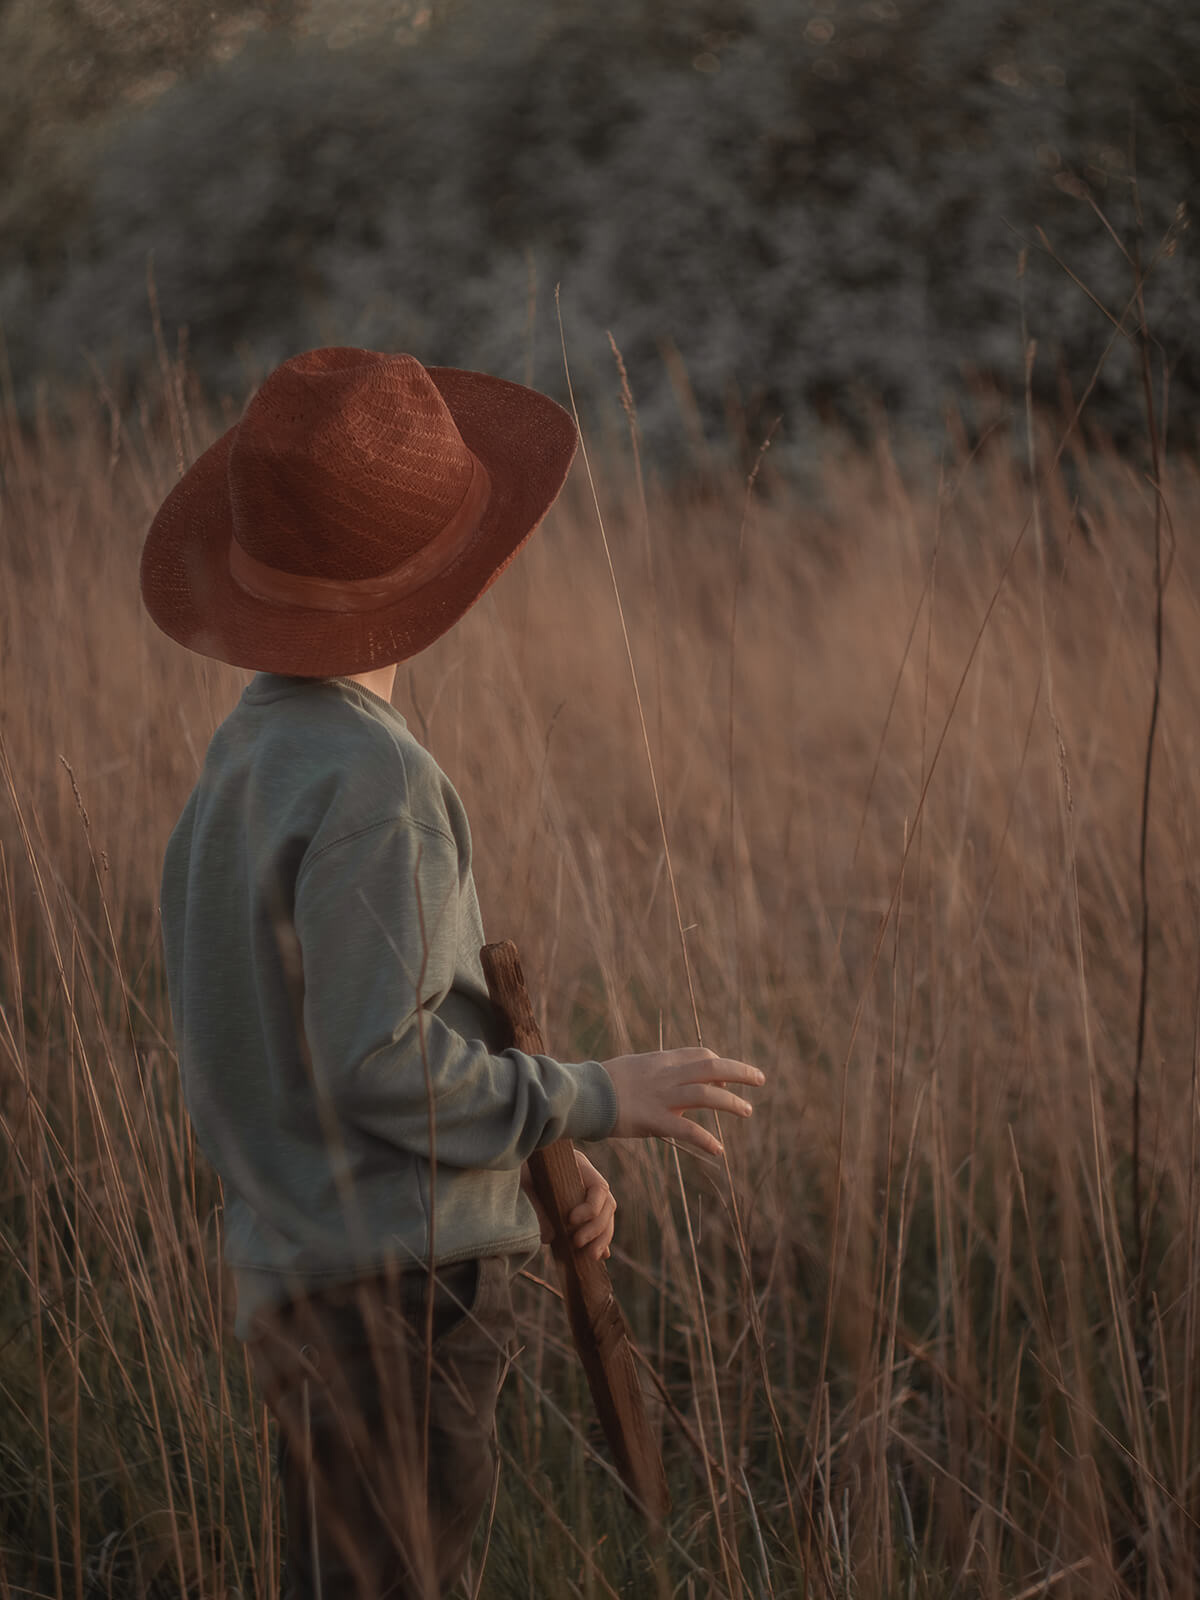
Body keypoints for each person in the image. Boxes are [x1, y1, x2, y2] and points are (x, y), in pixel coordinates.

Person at [140, 346, 765, 1599]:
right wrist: (596, 1094)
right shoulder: (380, 782)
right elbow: (381, 1063)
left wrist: (534, 1149)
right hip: (405, 1296)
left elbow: (316, 1042)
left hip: (299, 1274)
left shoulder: (245, 760)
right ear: (446, 571)